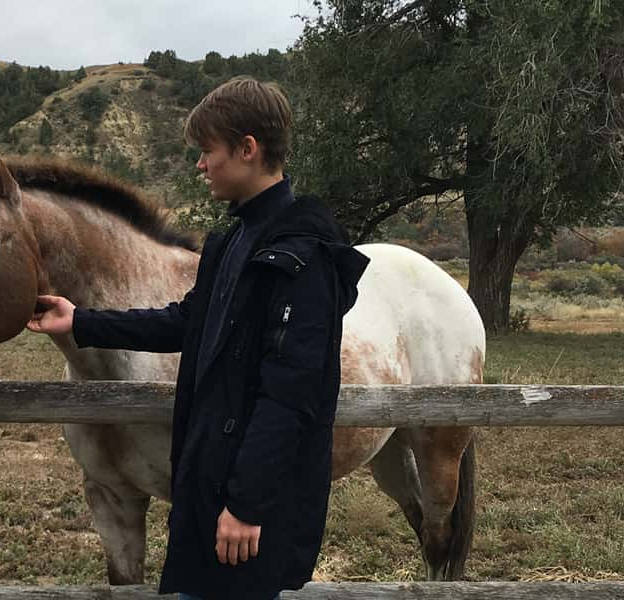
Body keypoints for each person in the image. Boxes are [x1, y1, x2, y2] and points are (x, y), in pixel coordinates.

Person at [26, 77, 369, 600]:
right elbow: (186, 322)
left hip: (246, 510)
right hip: (211, 490)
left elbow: (290, 395)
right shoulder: (235, 239)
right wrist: (83, 321)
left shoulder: (302, 256)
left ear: (247, 149)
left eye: (207, 151)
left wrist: (247, 505)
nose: (200, 165)